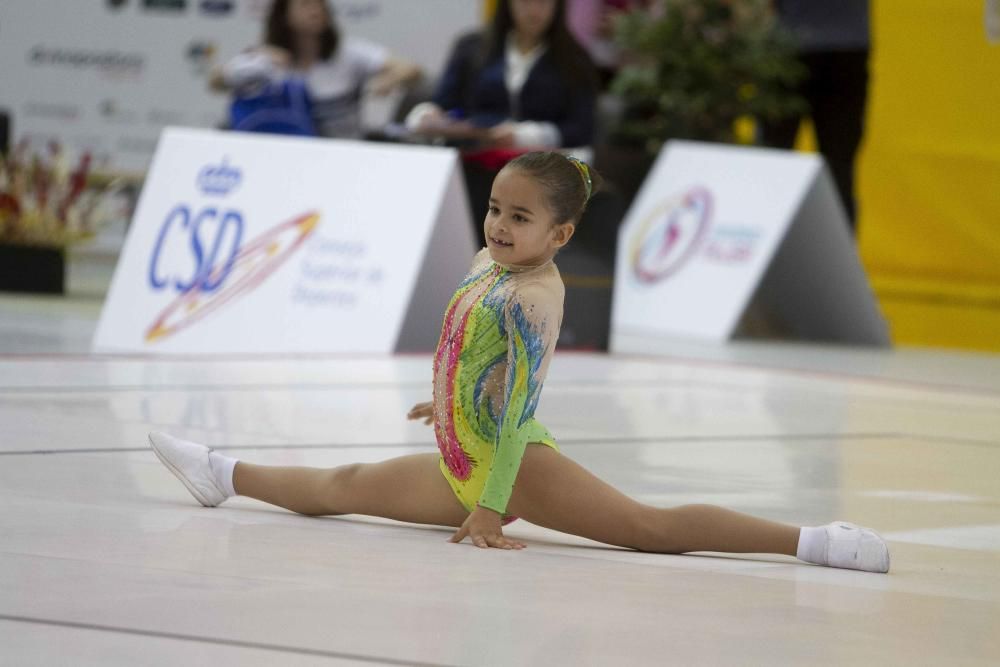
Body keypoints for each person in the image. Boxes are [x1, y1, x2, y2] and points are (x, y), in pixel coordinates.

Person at [148, 152, 889, 573]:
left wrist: (492, 503)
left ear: (561, 232)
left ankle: (815, 540)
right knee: (344, 483)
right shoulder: (488, 260)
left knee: (647, 528)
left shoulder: (538, 298)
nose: (500, 225)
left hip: (510, 461)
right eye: (497, 207)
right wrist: (445, 399)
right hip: (461, 449)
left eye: (520, 217)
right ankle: (222, 473)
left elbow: (521, 412)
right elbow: (462, 342)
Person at [212, 0, 421, 139]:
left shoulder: (349, 52)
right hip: (281, 153)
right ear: (284, 15)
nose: (315, 11)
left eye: (319, 4)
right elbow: (217, 81)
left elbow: (411, 69)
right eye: (305, 4)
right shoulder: (266, 59)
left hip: (341, 155)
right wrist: (253, 63)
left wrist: (388, 80)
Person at [405, 0, 598, 150]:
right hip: (473, 155)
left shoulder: (576, 59)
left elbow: (582, 128)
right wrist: (427, 114)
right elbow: (443, 102)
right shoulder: (472, 47)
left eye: (543, 2)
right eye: (525, 1)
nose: (534, 10)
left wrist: (525, 135)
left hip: (541, 167)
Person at [760, 1, 871, 230]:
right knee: (771, 163)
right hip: (799, 43)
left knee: (836, 169)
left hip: (833, 45)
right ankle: (762, 250)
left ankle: (836, 261)